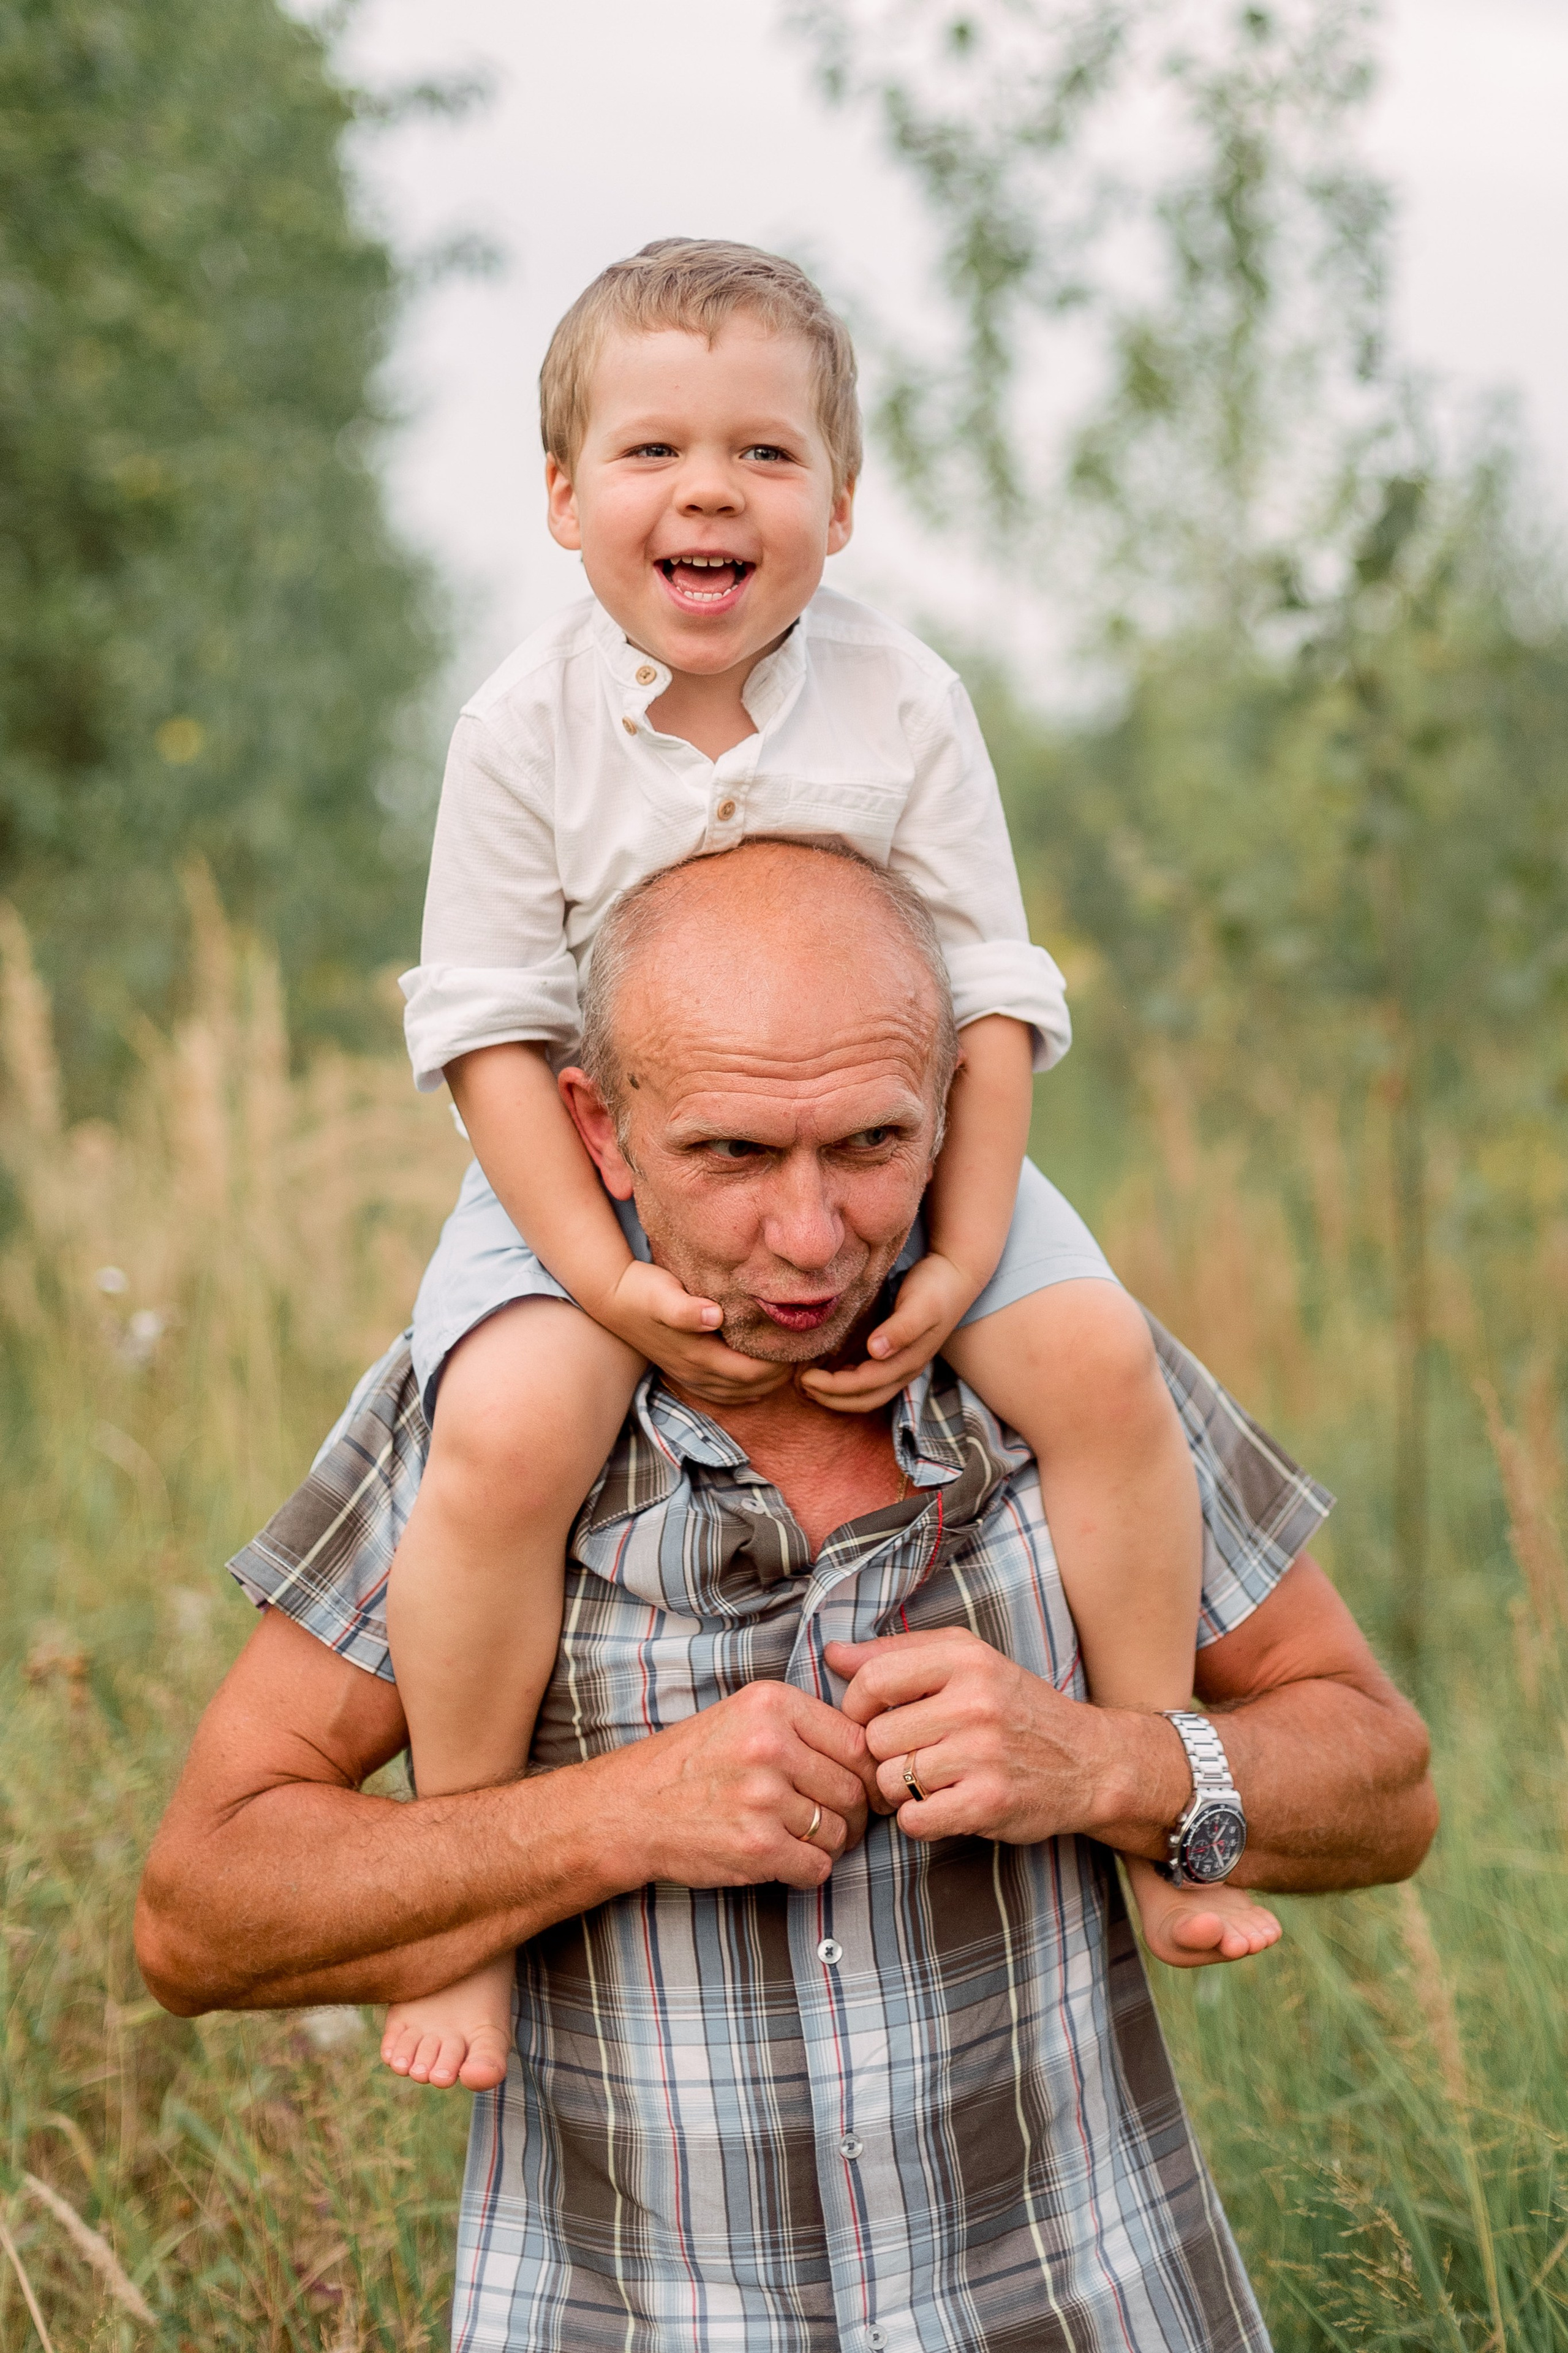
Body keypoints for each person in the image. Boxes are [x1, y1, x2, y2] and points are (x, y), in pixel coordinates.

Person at [137, 841, 1438, 2353]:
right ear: (598, 1130)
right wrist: (619, 1814)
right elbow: (201, 1916)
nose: (812, 1237)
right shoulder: (490, 1414)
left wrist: (1109, 1763)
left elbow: (1381, 1781)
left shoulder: (1068, 1367)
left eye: (873, 1144)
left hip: (1098, 2307)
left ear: (951, 1102)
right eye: (732, 1156)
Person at [385, 237, 1240, 2089]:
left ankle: (1159, 1779)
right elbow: (487, 1034)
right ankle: (458, 1904)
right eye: (653, 453)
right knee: (509, 1435)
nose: (711, 489)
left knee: (1097, 1364)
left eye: (767, 456)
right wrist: (602, 1280)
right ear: (561, 497)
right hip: (579, 1158)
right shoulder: (516, 733)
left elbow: (994, 996)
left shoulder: (907, 700)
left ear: (841, 505)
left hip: (902, 1153)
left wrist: (964, 1249)